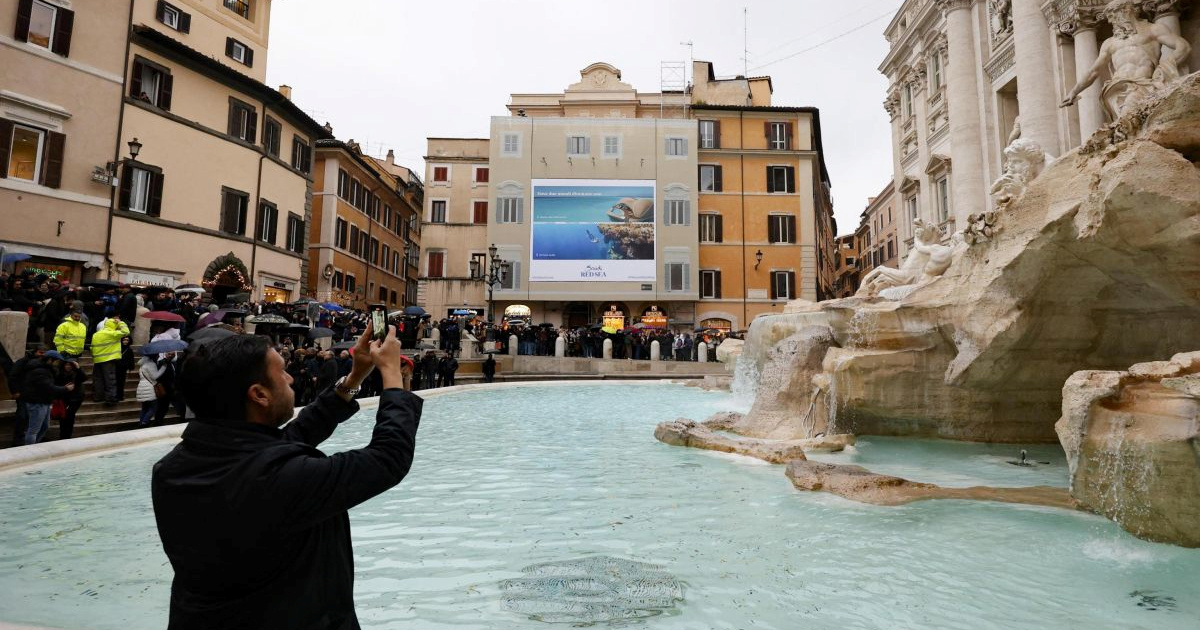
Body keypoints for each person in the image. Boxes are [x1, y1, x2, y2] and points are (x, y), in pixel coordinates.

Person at [151, 325, 420, 629]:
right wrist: (393, 377)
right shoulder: (279, 478)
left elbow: (294, 436)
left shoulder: (170, 469)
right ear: (259, 394)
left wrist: (356, 376)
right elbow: (389, 458)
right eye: (282, 371)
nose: (291, 377)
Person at [21, 350, 74, 445]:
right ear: (50, 360)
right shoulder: (40, 371)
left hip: (44, 401)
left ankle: (34, 445)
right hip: (37, 402)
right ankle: (28, 450)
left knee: (44, 427)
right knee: (33, 430)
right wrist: (65, 389)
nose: (57, 364)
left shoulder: (46, 370)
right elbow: (48, 387)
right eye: (56, 361)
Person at [91, 315, 130, 405]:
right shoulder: (112, 334)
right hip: (108, 360)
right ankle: (111, 398)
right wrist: (120, 322)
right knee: (110, 380)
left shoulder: (96, 334)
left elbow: (92, 348)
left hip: (97, 360)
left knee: (98, 379)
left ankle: (98, 397)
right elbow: (126, 331)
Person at [54, 359, 87, 439]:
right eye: (66, 365)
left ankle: (67, 435)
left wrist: (79, 368)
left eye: (70, 365)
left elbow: (84, 378)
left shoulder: (77, 374)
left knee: (69, 416)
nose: (67, 367)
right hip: (64, 398)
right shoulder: (60, 374)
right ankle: (62, 435)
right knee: (63, 417)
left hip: (75, 399)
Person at [137, 354, 167, 427]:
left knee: (144, 408)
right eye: (157, 355)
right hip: (149, 388)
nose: (158, 357)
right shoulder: (151, 364)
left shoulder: (142, 364)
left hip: (141, 387)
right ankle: (145, 422)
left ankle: (141, 423)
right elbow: (155, 376)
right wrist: (164, 367)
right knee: (154, 407)